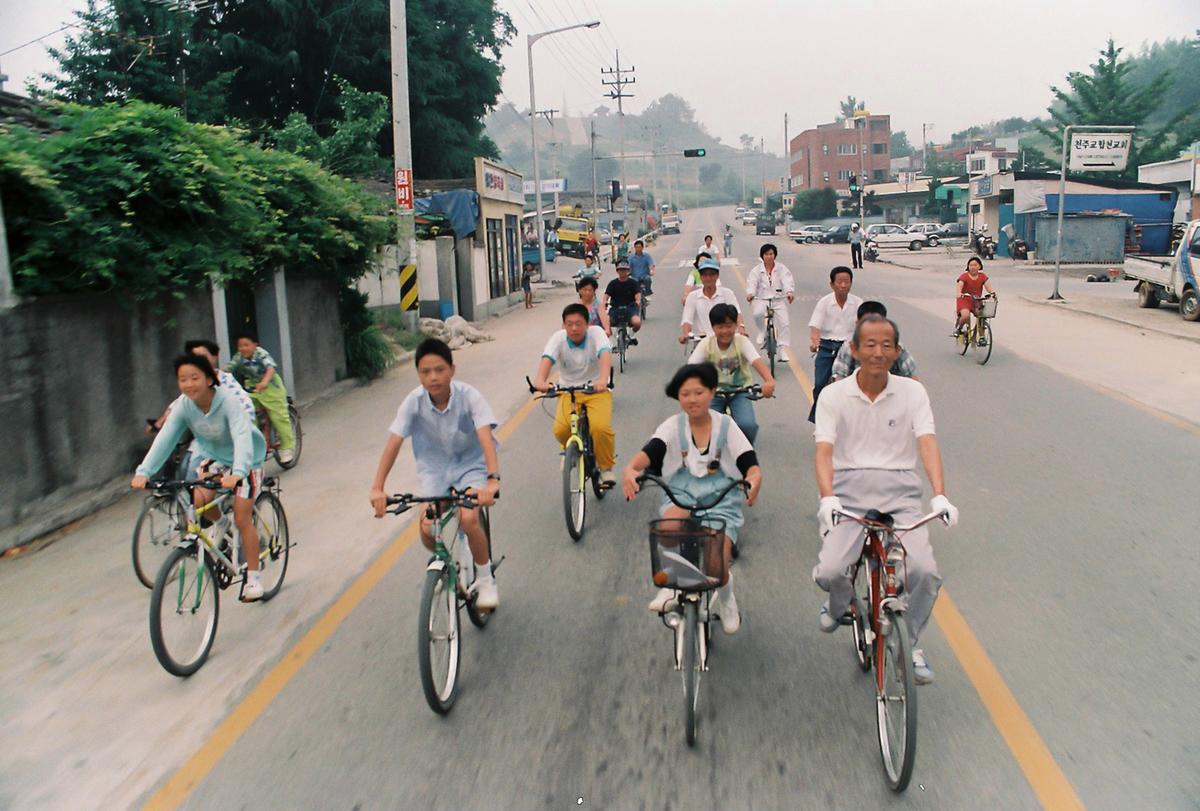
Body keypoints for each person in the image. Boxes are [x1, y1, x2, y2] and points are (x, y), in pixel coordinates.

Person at [812, 314, 959, 684]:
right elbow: (824, 451)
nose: (878, 352)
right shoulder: (833, 395)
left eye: (887, 345)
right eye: (870, 345)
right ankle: (839, 602)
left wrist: (940, 495)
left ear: (897, 351)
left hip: (900, 492)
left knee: (924, 572)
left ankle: (906, 644)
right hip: (847, 490)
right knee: (831, 571)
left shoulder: (913, 392)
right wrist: (828, 497)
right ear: (855, 350)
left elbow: (927, 442)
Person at [623, 363, 763, 634]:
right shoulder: (672, 425)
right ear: (678, 397)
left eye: (698, 392)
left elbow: (749, 462)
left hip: (720, 497)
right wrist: (631, 469)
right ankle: (670, 584)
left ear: (711, 392)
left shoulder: (726, 425)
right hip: (683, 492)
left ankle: (726, 600)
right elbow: (652, 450)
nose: (692, 399)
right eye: (685, 394)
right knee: (668, 526)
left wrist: (755, 479)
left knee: (716, 565)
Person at [369, 338, 502, 609]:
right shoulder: (413, 402)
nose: (433, 377)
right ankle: (447, 566)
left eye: (440, 370)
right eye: (425, 371)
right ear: (418, 373)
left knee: (468, 517)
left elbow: (485, 437)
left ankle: (486, 579)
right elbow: (394, 443)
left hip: (470, 466)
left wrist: (491, 480)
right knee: (428, 527)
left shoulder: (470, 396)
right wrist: (377, 487)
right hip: (435, 470)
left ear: (452, 369)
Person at [132, 354, 269, 600]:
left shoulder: (227, 402)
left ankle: (253, 578)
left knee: (242, 518)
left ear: (209, 379)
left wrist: (238, 472)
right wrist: (144, 471)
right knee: (199, 501)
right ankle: (220, 524)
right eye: (182, 379)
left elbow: (241, 437)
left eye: (195, 378)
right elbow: (166, 438)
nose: (188, 384)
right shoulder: (184, 406)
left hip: (246, 460)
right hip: (215, 458)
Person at [533, 303, 617, 485]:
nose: (574, 328)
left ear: (587, 324)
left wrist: (603, 379)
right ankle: (570, 450)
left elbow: (604, 354)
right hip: (568, 390)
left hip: (596, 389)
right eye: (569, 324)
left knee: (600, 428)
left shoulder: (597, 334)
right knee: (561, 429)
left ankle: (605, 467)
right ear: (563, 325)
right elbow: (547, 358)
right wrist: (540, 381)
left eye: (578, 323)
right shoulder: (558, 338)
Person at [689, 303, 775, 445]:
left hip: (740, 392)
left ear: (736, 325)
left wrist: (769, 381)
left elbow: (757, 362)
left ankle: (746, 456)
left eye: (729, 326)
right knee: (703, 428)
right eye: (720, 327)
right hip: (712, 393)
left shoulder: (742, 342)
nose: (725, 331)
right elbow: (690, 369)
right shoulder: (706, 344)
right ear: (713, 327)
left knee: (748, 425)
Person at [226, 333, 296, 463]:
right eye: (240, 346)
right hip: (252, 388)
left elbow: (270, 368)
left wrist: (264, 382)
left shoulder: (261, 354)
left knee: (278, 417)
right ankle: (256, 445)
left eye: (246, 345)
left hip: (270, 386)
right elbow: (228, 368)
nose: (243, 348)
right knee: (247, 415)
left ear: (255, 344)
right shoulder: (238, 357)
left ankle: (287, 448)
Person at [807, 267, 863, 423]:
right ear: (832, 284)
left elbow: (864, 326)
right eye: (840, 282)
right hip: (827, 347)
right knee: (819, 384)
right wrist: (815, 342)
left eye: (847, 282)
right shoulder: (824, 302)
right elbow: (815, 326)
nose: (843, 285)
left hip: (851, 348)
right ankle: (819, 419)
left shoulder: (858, 303)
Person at [829, 301, 919, 382]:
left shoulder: (896, 347)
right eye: (870, 345)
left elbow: (911, 377)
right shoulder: (848, 347)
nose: (878, 354)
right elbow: (840, 378)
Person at [745, 242, 796, 363]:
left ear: (775, 255)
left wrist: (789, 292)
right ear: (762, 256)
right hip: (762, 299)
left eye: (771, 254)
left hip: (778, 299)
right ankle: (762, 331)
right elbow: (752, 282)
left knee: (785, 323)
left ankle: (782, 349)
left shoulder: (782, 269)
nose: (769, 256)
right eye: (766, 254)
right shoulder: (756, 270)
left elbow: (787, 280)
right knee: (757, 314)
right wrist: (750, 293)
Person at [680, 258, 744, 344]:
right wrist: (685, 334)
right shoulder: (692, 297)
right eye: (704, 275)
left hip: (725, 340)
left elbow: (737, 313)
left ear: (717, 276)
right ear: (700, 276)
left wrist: (741, 328)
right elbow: (687, 320)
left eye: (711, 274)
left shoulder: (727, 293)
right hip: (703, 342)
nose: (708, 278)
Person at [955, 256, 997, 344]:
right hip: (964, 299)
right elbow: (959, 286)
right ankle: (959, 328)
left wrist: (993, 293)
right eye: (970, 265)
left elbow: (988, 286)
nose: (973, 267)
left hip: (976, 300)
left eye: (975, 265)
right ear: (968, 267)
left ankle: (982, 337)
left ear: (979, 266)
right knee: (966, 316)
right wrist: (959, 294)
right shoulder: (964, 276)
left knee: (982, 316)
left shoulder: (982, 276)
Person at [604, 258, 643, 337]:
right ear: (617, 271)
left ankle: (631, 336)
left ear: (628, 271)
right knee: (605, 322)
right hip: (615, 309)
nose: (622, 272)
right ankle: (609, 342)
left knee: (637, 323)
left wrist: (638, 301)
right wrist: (604, 301)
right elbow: (606, 294)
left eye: (624, 270)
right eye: (620, 270)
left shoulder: (633, 283)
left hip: (630, 308)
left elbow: (637, 293)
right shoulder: (613, 283)